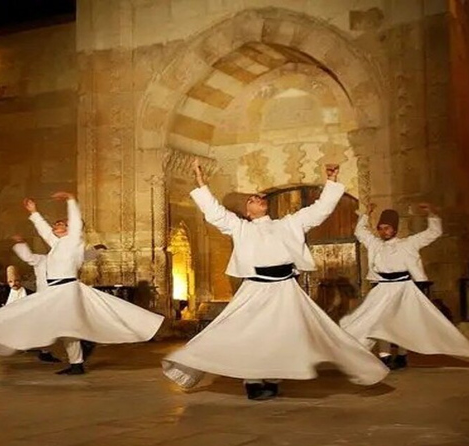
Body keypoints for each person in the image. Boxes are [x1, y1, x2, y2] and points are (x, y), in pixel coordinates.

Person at [162, 160, 389, 400]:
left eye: (260, 197)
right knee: (249, 333)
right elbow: (215, 213)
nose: (258, 198)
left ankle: (272, 377)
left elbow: (319, 210)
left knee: (282, 334)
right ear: (247, 212)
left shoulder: (289, 224)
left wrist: (331, 182)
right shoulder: (240, 228)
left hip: (285, 289)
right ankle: (252, 380)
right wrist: (201, 183)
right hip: (256, 288)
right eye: (251, 200)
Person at [0, 192, 165, 375]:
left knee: (68, 328)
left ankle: (76, 362)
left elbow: (77, 225)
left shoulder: (73, 242)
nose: (57, 226)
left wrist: (71, 200)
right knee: (56, 325)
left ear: (71, 230)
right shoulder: (58, 244)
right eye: (57, 224)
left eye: (62, 224)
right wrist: (34, 213)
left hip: (67, 290)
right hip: (54, 291)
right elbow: (45, 232)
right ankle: (74, 362)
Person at [340, 203, 469, 368]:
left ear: (394, 229)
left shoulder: (408, 243)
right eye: (380, 228)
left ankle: (401, 356)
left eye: (387, 228)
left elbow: (433, 233)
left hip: (404, 287)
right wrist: (366, 214)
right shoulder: (375, 244)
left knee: (402, 321)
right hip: (383, 288)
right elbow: (360, 232)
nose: (383, 231)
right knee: (380, 321)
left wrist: (432, 214)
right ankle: (384, 357)